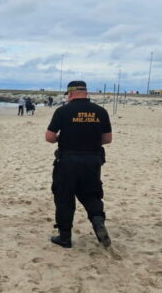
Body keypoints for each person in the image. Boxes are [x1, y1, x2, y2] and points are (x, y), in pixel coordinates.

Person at [45, 80, 112, 249]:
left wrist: (65, 139)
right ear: (86, 93)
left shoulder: (63, 111)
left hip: (67, 161)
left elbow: (49, 137)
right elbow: (107, 139)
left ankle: (65, 237)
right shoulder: (100, 111)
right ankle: (98, 222)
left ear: (71, 93)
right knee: (91, 194)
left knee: (64, 197)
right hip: (92, 161)